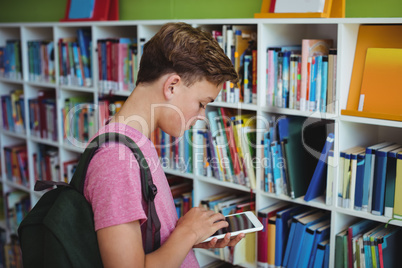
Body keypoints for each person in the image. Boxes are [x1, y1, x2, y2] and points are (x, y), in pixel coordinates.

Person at [83, 22, 242, 267]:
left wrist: (193, 237)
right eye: (201, 103)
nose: (202, 115)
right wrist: (187, 233)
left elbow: (147, 243)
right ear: (172, 86)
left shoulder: (136, 142)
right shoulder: (115, 159)